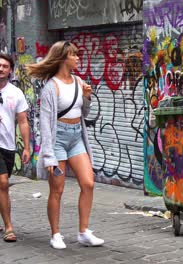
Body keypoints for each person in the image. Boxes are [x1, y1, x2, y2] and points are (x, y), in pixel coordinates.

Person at [26, 41, 104, 249]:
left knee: (88, 183)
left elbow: (84, 114)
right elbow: (44, 125)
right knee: (57, 190)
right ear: (62, 58)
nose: (78, 58)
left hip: (76, 137)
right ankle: (56, 234)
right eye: (74, 55)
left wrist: (86, 97)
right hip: (57, 139)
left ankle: (84, 232)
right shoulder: (51, 88)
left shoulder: (78, 81)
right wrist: (49, 155)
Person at [0, 53, 30, 243]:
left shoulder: (15, 93)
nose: (0, 68)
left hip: (8, 145)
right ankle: (9, 227)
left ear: (10, 70)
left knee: (1, 184)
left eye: (4, 66)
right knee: (3, 183)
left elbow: (23, 121)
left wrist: (26, 147)